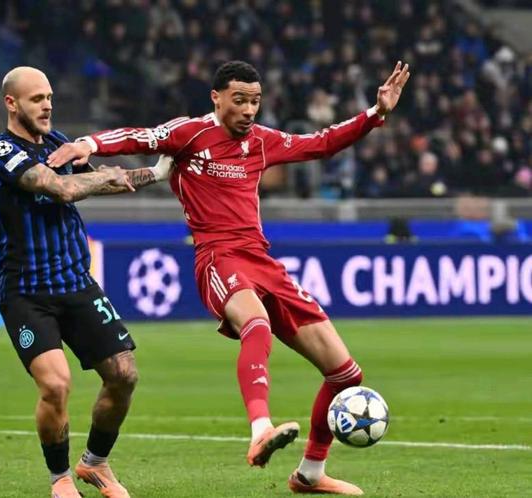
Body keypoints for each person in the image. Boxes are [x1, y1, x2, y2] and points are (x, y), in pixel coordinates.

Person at [48, 60, 410, 495]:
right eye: (239, 100)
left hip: (262, 261)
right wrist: (88, 143)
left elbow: (321, 143)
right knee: (256, 325)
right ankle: (260, 428)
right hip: (218, 257)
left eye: (255, 101)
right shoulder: (190, 133)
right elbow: (139, 136)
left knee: (345, 374)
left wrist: (376, 113)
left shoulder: (262, 142)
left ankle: (311, 473)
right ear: (216, 98)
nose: (249, 110)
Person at [0, 66, 172, 498]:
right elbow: (60, 188)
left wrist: (157, 172)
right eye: (37, 98)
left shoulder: (57, 142)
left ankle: (95, 463)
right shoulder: (1, 151)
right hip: (26, 292)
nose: (47, 105)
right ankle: (60, 478)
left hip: (75, 281)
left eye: (49, 96)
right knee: (55, 384)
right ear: (11, 103)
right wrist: (102, 177)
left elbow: (102, 181)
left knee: (124, 374)